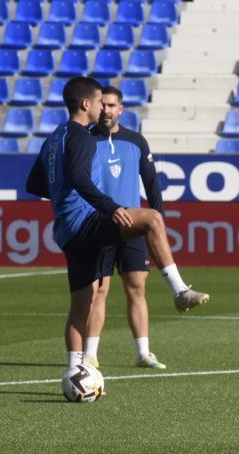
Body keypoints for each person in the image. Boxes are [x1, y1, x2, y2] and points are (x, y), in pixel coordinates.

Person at [25, 77, 210, 371]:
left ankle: (76, 370)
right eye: (100, 101)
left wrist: (62, 197)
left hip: (67, 231)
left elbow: (34, 183)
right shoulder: (81, 136)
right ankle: (179, 291)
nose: (103, 107)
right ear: (86, 104)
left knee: (80, 305)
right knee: (151, 218)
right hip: (88, 220)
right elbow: (79, 177)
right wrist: (110, 207)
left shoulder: (54, 137)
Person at [82, 86, 168, 370]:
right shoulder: (84, 141)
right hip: (99, 225)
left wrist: (158, 218)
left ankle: (143, 353)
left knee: (137, 288)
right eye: (102, 105)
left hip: (132, 226)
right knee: (98, 291)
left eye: (112, 105)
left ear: (121, 109)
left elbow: (151, 181)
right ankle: (90, 355)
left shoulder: (135, 141)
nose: (106, 110)